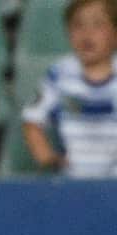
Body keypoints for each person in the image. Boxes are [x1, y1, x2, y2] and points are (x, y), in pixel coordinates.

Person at [22, 0, 117, 177]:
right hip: (72, 180)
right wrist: (48, 160)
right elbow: (32, 122)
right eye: (78, 25)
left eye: (98, 24)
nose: (87, 34)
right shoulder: (59, 76)